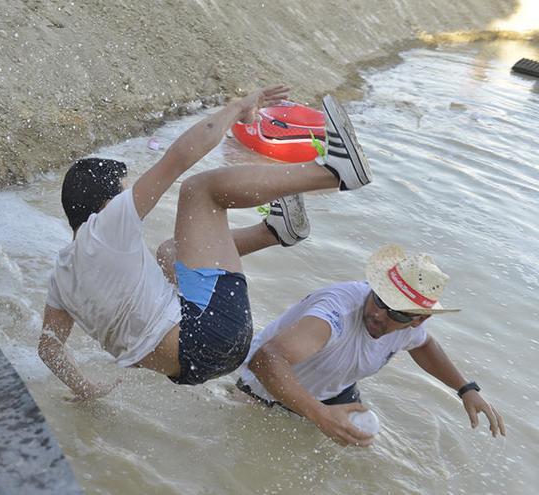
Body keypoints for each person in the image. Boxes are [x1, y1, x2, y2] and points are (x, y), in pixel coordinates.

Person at [37, 84, 373, 400]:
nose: (129, 197)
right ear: (107, 206)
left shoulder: (62, 278)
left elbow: (48, 349)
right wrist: (240, 107)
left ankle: (274, 231)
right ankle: (334, 173)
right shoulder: (106, 226)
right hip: (210, 333)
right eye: (125, 190)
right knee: (199, 191)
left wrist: (87, 390)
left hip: (196, 366)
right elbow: (180, 156)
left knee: (169, 252)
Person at [236, 244, 506, 447]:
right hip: (265, 389)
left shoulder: (409, 327)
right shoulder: (336, 312)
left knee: (356, 452)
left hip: (333, 391)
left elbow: (424, 346)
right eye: (380, 299)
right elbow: (266, 360)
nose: (379, 314)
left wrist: (465, 388)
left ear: (418, 319)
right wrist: (319, 414)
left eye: (397, 313)